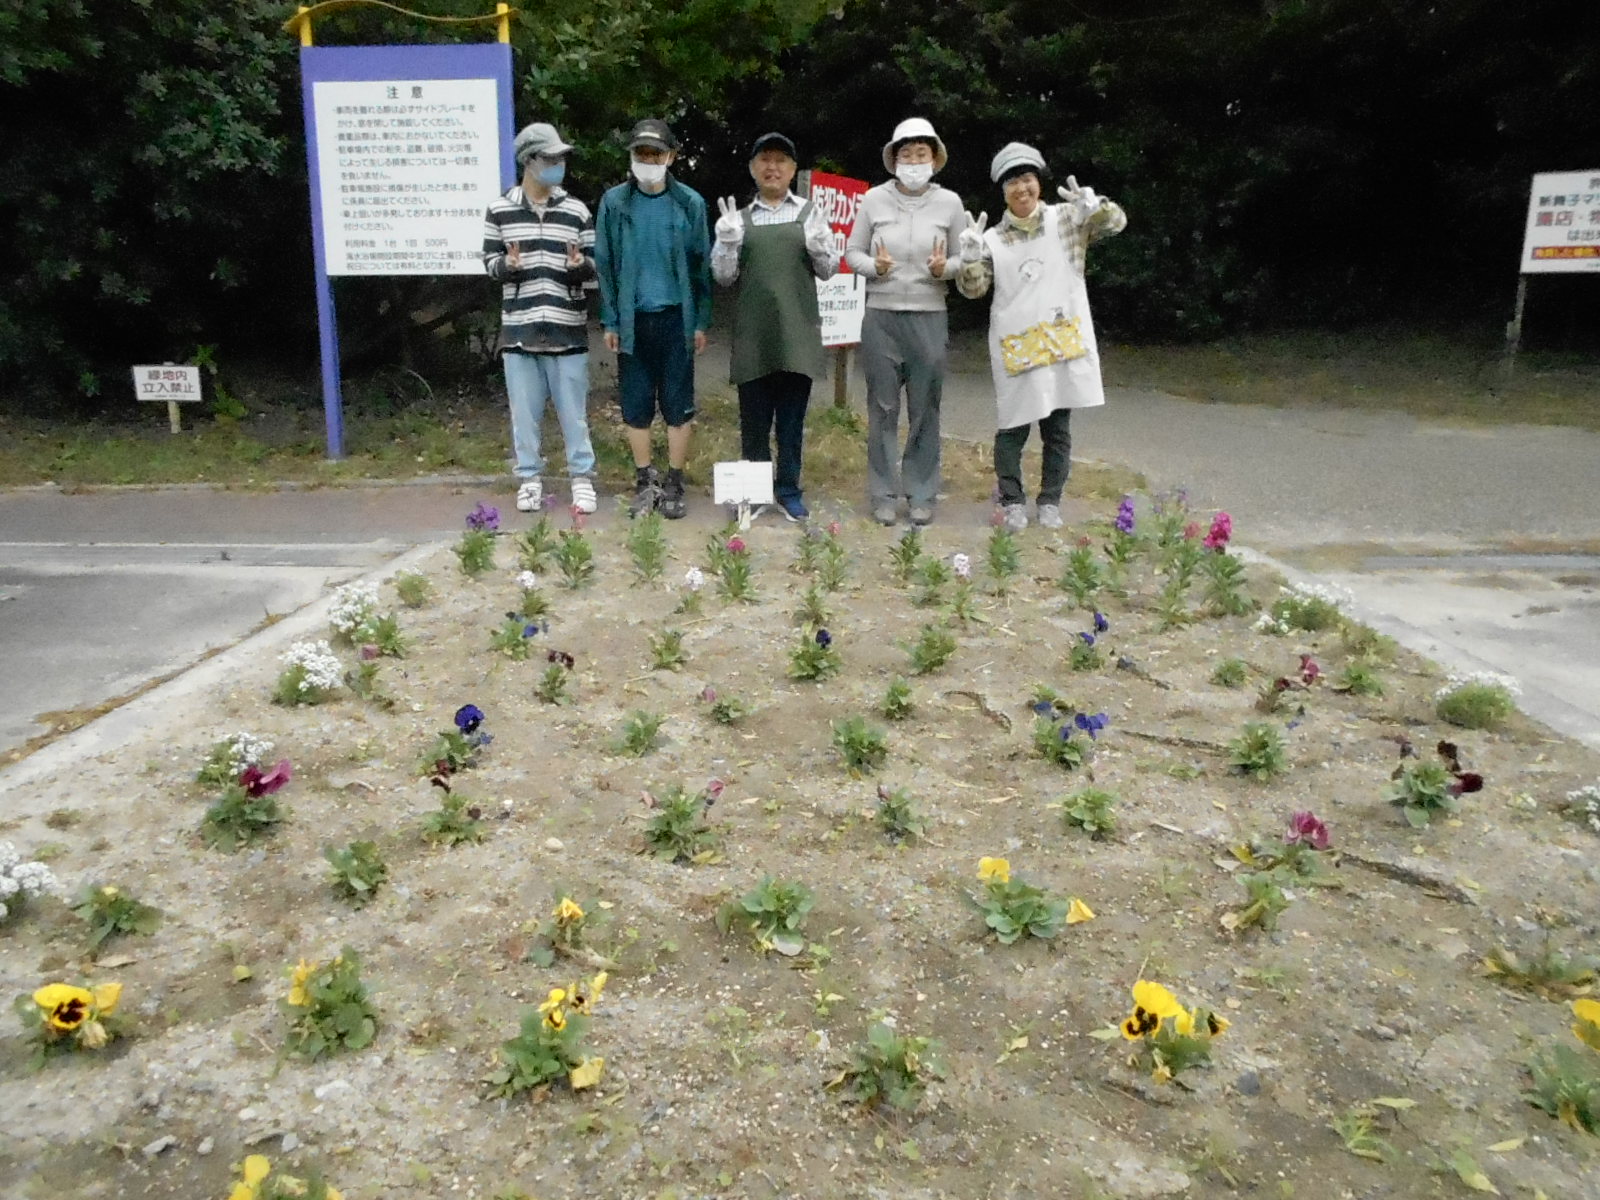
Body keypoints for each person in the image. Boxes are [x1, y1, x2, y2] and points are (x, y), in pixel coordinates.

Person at [956, 142, 1126, 531]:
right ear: (1003, 191)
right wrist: (968, 260)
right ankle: (1012, 500)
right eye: (1013, 182)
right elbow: (974, 289)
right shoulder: (992, 239)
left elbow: (1117, 225)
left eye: (1028, 179)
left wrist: (1096, 207)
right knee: (1012, 429)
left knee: (1058, 429)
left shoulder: (1067, 219)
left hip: (1060, 343)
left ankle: (1050, 501)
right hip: (1016, 347)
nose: (1022, 189)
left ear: (1038, 183)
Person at [844, 118, 968, 527]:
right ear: (893, 159)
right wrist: (875, 268)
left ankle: (921, 492)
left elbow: (965, 260)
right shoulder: (874, 200)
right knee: (882, 407)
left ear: (934, 158)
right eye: (906, 154)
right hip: (881, 314)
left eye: (921, 153)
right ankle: (882, 493)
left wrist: (942, 269)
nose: (913, 161)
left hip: (929, 314)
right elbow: (852, 252)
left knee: (925, 408)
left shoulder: (950, 203)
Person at [710, 132, 837, 523]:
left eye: (781, 160)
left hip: (797, 334)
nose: (772, 168)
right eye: (764, 160)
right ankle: (753, 493)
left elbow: (829, 270)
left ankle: (788, 490)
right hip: (754, 336)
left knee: (792, 422)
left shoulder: (811, 216)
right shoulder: (739, 219)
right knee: (753, 421)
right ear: (752, 169)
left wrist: (818, 246)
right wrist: (727, 243)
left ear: (793, 170)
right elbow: (723, 277)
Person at [595, 118, 713, 519]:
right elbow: (606, 264)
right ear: (631, 157)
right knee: (636, 402)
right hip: (632, 318)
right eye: (640, 154)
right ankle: (645, 480)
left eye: (655, 154)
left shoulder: (690, 204)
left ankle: (676, 480)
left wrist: (701, 321)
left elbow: (701, 268)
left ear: (671, 156)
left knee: (679, 403)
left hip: (676, 316)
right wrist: (610, 320)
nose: (647, 161)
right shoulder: (614, 203)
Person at [482, 122, 598, 514]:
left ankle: (582, 478)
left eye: (560, 158)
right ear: (528, 161)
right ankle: (529, 478)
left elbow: (595, 267)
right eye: (549, 158)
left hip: (568, 326)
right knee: (524, 416)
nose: (558, 165)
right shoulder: (499, 210)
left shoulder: (577, 210)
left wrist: (580, 266)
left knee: (574, 415)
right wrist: (507, 265)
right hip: (520, 327)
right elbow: (488, 261)